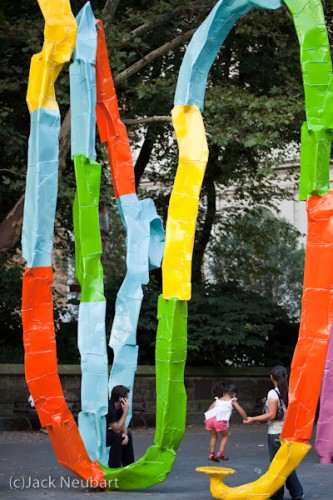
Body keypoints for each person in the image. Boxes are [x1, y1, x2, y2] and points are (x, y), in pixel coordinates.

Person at [244, 365, 304, 500]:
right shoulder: (291, 391)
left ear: (271, 378)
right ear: (286, 377)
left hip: (276, 433)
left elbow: (271, 415)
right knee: (286, 463)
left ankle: (277, 495)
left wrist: (252, 419)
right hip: (289, 433)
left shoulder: (273, 393)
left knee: (277, 465)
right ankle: (297, 492)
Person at [204, 381, 248, 461]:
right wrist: (246, 419)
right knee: (225, 436)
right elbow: (241, 411)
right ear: (234, 394)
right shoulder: (232, 401)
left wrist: (206, 419)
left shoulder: (217, 400)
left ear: (224, 393)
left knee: (214, 436)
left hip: (210, 419)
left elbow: (209, 409)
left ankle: (212, 454)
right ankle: (220, 453)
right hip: (219, 420)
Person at [106, 385, 134, 468]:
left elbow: (122, 424)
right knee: (118, 437)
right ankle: (114, 467)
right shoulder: (109, 408)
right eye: (126, 397)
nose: (128, 400)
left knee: (128, 435)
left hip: (108, 430)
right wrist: (126, 411)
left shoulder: (120, 407)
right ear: (121, 399)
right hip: (99, 434)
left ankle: (128, 466)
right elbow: (117, 429)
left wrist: (125, 434)